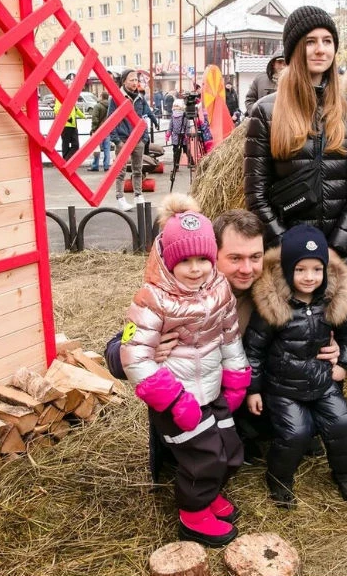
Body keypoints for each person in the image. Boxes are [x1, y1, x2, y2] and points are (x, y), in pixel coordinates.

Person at [103, 210, 341, 465]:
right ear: (212, 254)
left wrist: (328, 344)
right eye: (235, 258)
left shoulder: (281, 290)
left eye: (255, 257)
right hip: (191, 411)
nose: (247, 269)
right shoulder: (178, 293)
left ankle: (284, 433)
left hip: (249, 401)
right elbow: (116, 352)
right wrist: (145, 351)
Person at [120, 195, 251, 548]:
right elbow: (133, 355)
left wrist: (237, 376)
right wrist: (174, 399)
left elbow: (229, 335)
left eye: (202, 259)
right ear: (167, 261)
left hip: (211, 389)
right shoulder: (153, 298)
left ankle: (209, 497)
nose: (195, 269)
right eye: (185, 261)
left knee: (229, 446)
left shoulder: (218, 288)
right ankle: (192, 515)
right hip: (176, 398)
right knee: (202, 456)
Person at [244, 5, 347, 323]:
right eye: (311, 41)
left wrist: (337, 246)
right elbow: (256, 194)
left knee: (338, 349)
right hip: (289, 253)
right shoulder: (266, 112)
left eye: (327, 40)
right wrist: (293, 251)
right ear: (294, 50)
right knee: (293, 348)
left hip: (342, 251)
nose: (321, 49)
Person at [243, 224, 347, 506]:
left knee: (343, 425)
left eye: (316, 269)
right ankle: (280, 478)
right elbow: (255, 349)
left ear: (325, 270)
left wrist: (344, 362)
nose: (309, 277)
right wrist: (254, 389)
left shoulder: (331, 302)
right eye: (300, 269)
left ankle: (346, 473)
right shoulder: (275, 306)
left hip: (323, 383)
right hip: (283, 389)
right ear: (287, 270)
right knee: (294, 434)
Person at [108, 70, 159, 211]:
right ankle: (120, 198)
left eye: (136, 80)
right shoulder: (116, 98)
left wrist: (145, 137)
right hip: (123, 139)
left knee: (138, 169)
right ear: (124, 81)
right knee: (120, 170)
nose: (135, 82)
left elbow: (147, 113)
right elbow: (110, 120)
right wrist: (116, 140)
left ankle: (138, 195)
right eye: (131, 80)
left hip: (138, 139)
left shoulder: (140, 98)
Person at [53, 78, 84, 161]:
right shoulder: (60, 97)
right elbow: (56, 110)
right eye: (70, 87)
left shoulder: (70, 98)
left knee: (75, 145)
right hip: (65, 125)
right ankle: (66, 161)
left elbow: (75, 109)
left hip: (73, 124)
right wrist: (67, 118)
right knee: (66, 144)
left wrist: (83, 116)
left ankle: (66, 160)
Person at [89, 91, 111, 172]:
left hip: (98, 129)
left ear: (101, 96)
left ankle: (95, 165)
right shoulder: (110, 106)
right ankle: (106, 165)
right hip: (107, 129)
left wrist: (93, 129)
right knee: (107, 148)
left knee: (96, 148)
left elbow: (95, 119)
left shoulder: (97, 106)